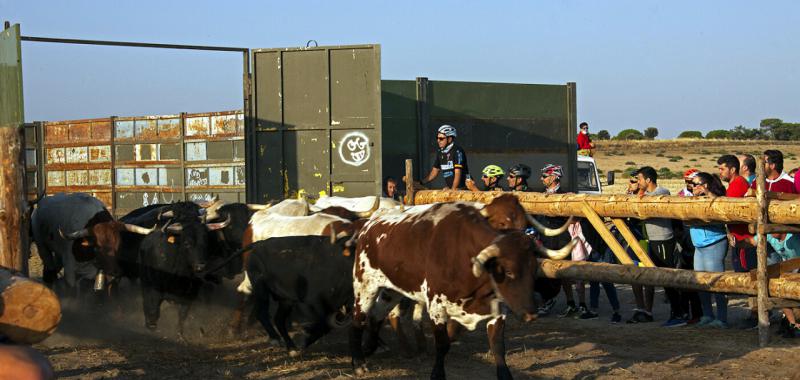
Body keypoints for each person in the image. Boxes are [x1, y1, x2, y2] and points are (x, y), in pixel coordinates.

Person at [635, 166, 687, 327]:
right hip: (653, 239)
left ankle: (679, 313)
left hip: (663, 239)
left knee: (667, 277)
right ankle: (677, 312)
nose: (638, 182)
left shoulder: (661, 192)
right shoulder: (647, 194)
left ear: (648, 180)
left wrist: (639, 195)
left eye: (639, 179)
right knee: (660, 277)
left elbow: (644, 206)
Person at [688, 172, 730, 328]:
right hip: (699, 245)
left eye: (695, 184)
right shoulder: (693, 200)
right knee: (700, 282)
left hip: (714, 242)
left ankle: (722, 318)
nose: (692, 187)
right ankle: (707, 314)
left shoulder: (717, 200)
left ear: (704, 185)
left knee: (716, 282)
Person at [420, 125, 469, 190]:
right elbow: (434, 172)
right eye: (437, 138)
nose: (438, 140)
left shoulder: (457, 151)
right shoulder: (440, 152)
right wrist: (421, 182)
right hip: (453, 189)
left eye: (441, 138)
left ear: (450, 139)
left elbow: (458, 173)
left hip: (463, 190)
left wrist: (453, 189)